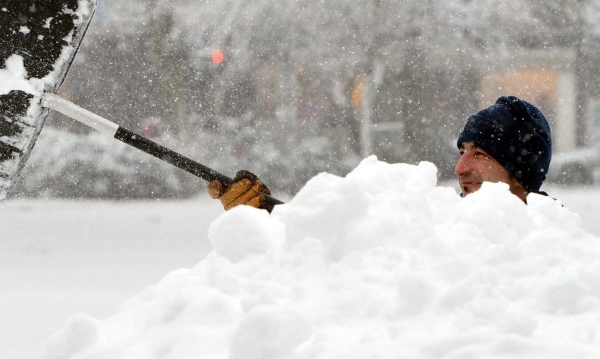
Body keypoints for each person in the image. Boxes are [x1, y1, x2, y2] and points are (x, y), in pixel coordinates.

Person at [208, 95, 553, 210]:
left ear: (520, 170)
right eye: (462, 151)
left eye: (481, 155)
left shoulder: (556, 258)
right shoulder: (434, 225)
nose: (460, 167)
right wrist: (266, 217)